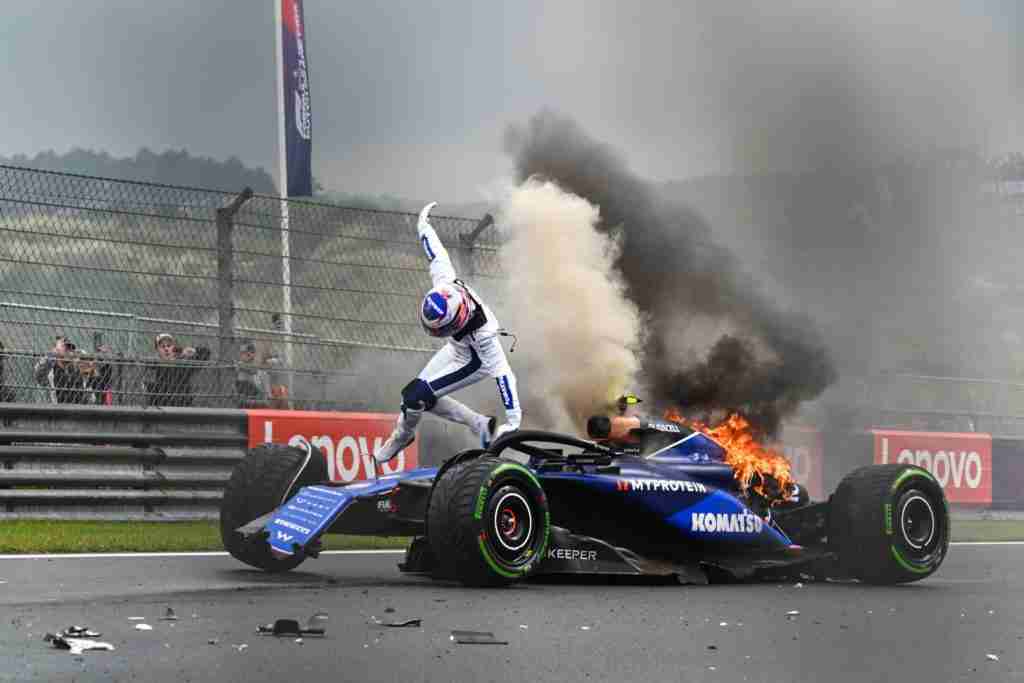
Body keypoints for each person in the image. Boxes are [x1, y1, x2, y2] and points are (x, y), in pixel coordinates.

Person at [374, 202, 522, 464]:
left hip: (473, 361)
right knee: (420, 398)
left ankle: (402, 436)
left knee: (414, 396)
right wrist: (423, 225)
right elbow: (436, 254)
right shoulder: (446, 283)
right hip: (456, 349)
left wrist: (513, 421)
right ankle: (478, 424)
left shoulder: (485, 334)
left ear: (457, 320)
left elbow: (504, 376)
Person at [143, 332, 211, 407]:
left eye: (169, 346)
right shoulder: (154, 365)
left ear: (174, 348)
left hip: (182, 405)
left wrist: (183, 350)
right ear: (157, 350)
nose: (166, 349)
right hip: (161, 406)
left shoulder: (182, 364)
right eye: (162, 346)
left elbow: (206, 353)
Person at [33, 336, 85, 404]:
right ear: (55, 350)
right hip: (51, 410)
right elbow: (38, 374)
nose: (69, 351)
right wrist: (51, 355)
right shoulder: (50, 369)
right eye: (65, 347)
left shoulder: (74, 370)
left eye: (71, 349)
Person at [235, 340, 270, 408]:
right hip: (241, 399)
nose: (242, 355)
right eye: (241, 353)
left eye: (245, 353)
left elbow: (266, 397)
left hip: (256, 400)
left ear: (251, 354)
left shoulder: (262, 373)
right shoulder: (238, 368)